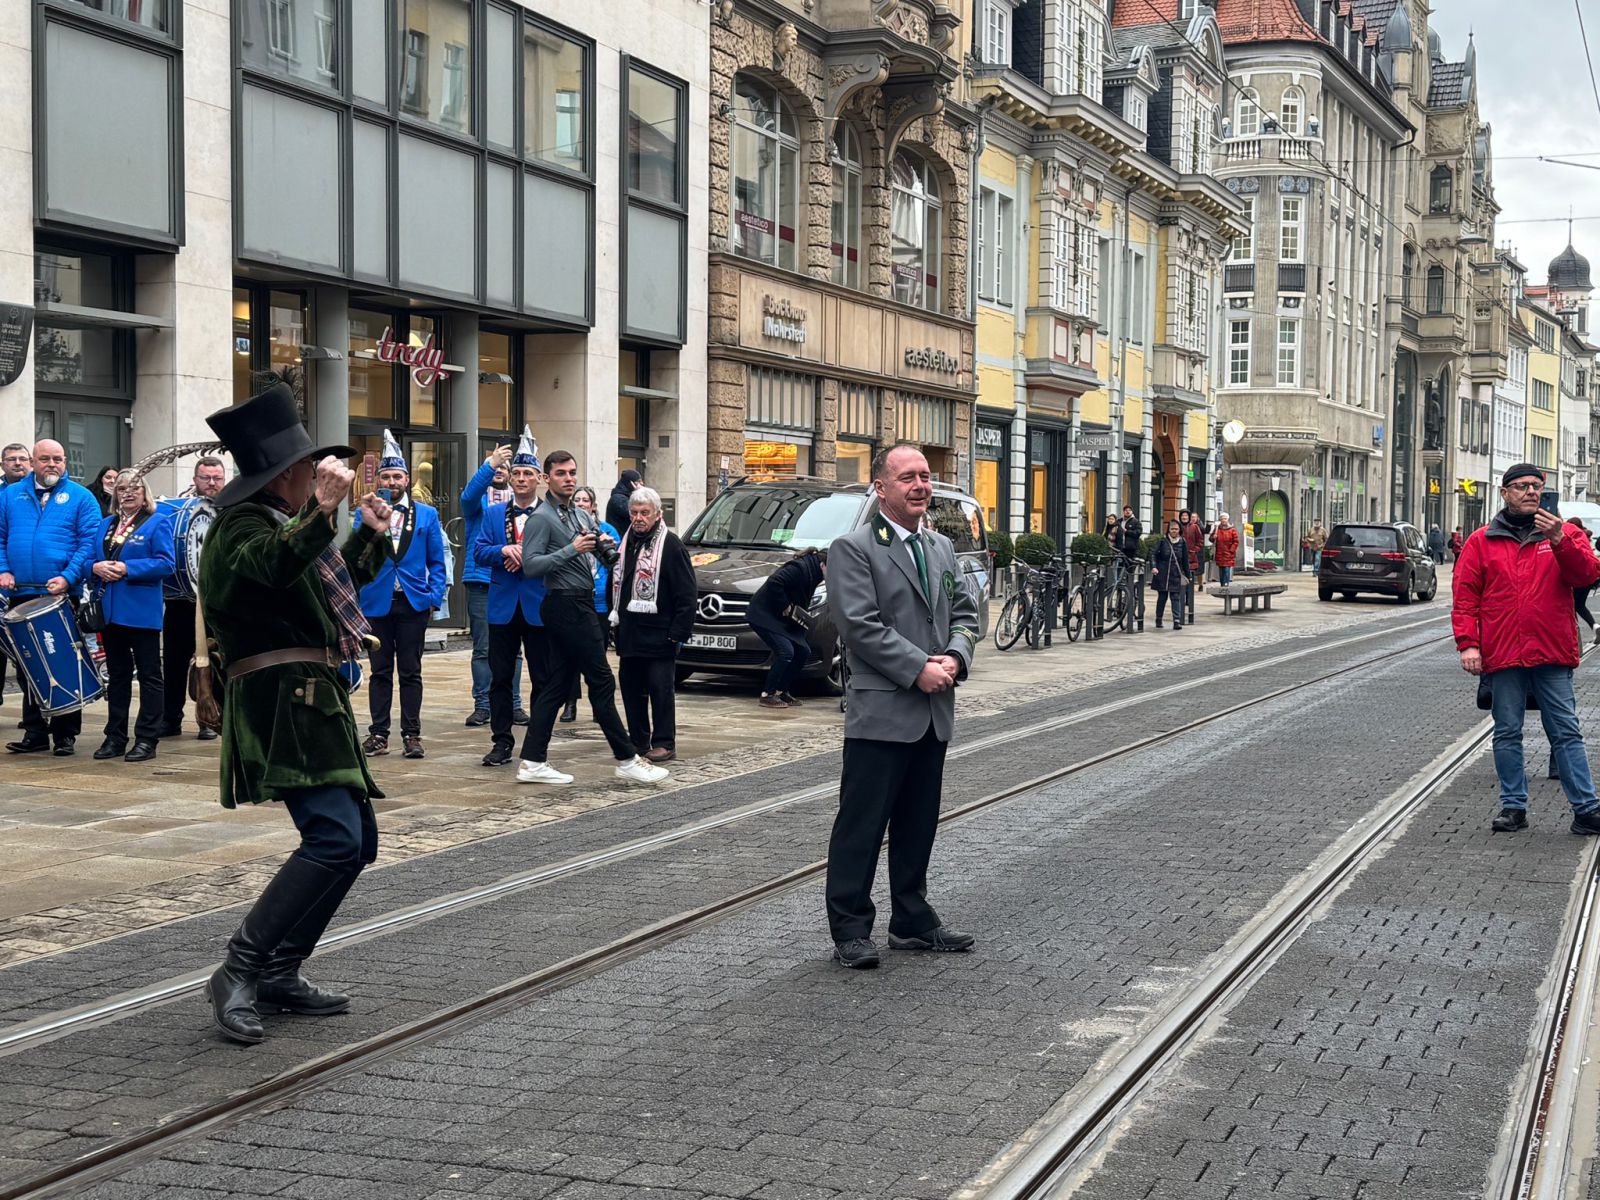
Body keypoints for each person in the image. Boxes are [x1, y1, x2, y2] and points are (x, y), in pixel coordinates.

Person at [199, 381, 394, 1044]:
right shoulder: (240, 526)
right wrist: (322, 511)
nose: (319, 473)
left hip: (311, 699)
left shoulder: (281, 521)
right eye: (310, 466)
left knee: (356, 842)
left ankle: (280, 970)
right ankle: (239, 969)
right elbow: (271, 568)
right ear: (287, 475)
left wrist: (367, 538)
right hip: (280, 702)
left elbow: (319, 588)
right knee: (334, 840)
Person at [824, 444, 979, 970]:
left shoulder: (940, 546)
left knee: (918, 823)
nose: (920, 486)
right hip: (883, 713)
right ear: (881, 487)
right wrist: (918, 668)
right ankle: (850, 928)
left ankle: (911, 920)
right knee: (862, 826)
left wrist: (956, 656)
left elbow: (966, 613)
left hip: (933, 711)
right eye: (907, 477)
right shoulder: (854, 548)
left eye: (925, 476)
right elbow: (859, 626)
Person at [1454, 463, 1600, 836]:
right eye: (1521, 486)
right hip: (1503, 652)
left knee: (1565, 731)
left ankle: (1586, 809)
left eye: (1536, 485)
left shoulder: (1566, 533)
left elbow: (1587, 575)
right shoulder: (1481, 541)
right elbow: (1466, 597)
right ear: (1504, 493)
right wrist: (1468, 644)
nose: (1531, 491)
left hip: (1551, 650)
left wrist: (1559, 540)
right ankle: (1513, 807)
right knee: (1507, 731)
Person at [515, 450, 667, 785]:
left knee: (557, 685)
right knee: (601, 680)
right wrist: (572, 549)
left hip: (582, 602)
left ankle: (532, 761)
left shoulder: (579, 515)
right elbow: (531, 565)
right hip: (565, 604)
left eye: (572, 473)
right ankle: (626, 757)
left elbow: (605, 555)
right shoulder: (542, 518)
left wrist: (605, 546)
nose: (568, 479)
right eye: (561, 474)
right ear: (546, 478)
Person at [0, 439, 104, 756]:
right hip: (20, 593)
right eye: (45, 459)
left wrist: (69, 577)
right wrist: (3, 570)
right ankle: (34, 732)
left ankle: (65, 735)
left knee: (64, 662)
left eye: (58, 459)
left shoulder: (81, 497)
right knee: (27, 665)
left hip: (60, 595)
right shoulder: (10, 496)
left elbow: (89, 543)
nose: (52, 464)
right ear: (32, 462)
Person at [358, 431, 447, 760]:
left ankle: (412, 734)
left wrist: (433, 597)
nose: (392, 482)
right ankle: (378, 734)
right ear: (379, 480)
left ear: (407, 479)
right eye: (386, 477)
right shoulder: (364, 513)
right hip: (377, 603)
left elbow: (437, 561)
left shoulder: (427, 514)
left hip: (412, 602)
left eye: (397, 476)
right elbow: (359, 558)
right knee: (379, 672)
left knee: (411, 671)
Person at [472, 429, 550, 767]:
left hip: (538, 605)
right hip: (502, 606)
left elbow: (560, 556)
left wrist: (528, 558)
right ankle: (501, 741)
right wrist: (504, 550)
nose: (520, 479)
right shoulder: (493, 513)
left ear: (539, 479)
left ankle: (537, 745)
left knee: (543, 678)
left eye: (527, 473)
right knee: (500, 676)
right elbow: (478, 552)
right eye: (516, 472)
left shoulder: (551, 514)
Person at [92, 470, 175, 763]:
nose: (128, 493)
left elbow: (166, 564)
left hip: (141, 612)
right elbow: (90, 557)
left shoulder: (157, 521)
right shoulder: (106, 524)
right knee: (117, 677)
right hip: (111, 612)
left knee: (150, 676)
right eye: (122, 488)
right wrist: (94, 567)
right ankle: (115, 737)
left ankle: (147, 739)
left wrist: (129, 568)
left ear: (144, 492)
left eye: (135, 488)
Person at [611, 486, 694, 762]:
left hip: (660, 634)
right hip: (630, 632)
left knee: (661, 691)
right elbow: (617, 583)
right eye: (634, 512)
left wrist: (678, 633)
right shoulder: (626, 542)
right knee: (631, 690)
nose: (638, 518)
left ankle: (664, 743)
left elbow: (686, 594)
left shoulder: (670, 545)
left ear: (658, 515)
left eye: (644, 513)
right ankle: (638, 741)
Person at [157, 457, 227, 741]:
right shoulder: (182, 508)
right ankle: (170, 718)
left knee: (213, 661)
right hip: (181, 602)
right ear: (195, 479)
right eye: (206, 477)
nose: (211, 483)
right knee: (174, 662)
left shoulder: (232, 509)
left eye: (217, 478)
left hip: (217, 602)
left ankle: (209, 718)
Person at [461, 441, 529, 729]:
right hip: (481, 580)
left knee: (515, 649)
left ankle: (513, 703)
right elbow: (467, 496)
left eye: (505, 467)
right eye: (496, 467)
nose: (500, 470)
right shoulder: (479, 505)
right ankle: (482, 704)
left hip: (513, 581)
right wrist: (490, 463)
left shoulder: (519, 504)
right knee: (483, 647)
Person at [560, 484, 620, 724]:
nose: (581, 503)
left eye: (586, 500)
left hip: (599, 602)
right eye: (577, 500)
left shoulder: (606, 530)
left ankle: (600, 705)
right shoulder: (566, 529)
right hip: (574, 599)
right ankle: (570, 703)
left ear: (593, 506)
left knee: (597, 656)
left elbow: (615, 562)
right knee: (570, 654)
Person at [748, 547, 826, 708]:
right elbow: (774, 582)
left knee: (803, 652)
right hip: (764, 614)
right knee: (786, 652)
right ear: (823, 565)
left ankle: (781, 691)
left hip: (782, 619)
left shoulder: (814, 570)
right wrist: (785, 605)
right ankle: (767, 694)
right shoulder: (800, 568)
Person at [0, 444, 29, 707]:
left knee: (26, 654)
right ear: (2, 464)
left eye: (22, 459)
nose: (17, 463)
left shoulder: (37, 494)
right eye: (12, 459)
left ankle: (34, 712)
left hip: (26, 586)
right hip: (2, 583)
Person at [1150, 519, 1189, 630]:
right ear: (1169, 530)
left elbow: (1185, 560)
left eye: (1176, 529)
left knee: (1175, 597)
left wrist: (1188, 575)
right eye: (1172, 529)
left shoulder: (1182, 542)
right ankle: (1158, 618)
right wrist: (1154, 566)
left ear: (1179, 530)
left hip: (1175, 573)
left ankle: (1176, 621)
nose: (1174, 531)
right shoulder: (1162, 541)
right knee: (1162, 598)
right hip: (1162, 573)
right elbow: (1153, 554)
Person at [1179, 510, 1204, 623]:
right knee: (1180, 579)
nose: (1184, 517)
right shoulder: (1177, 526)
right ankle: (1181, 598)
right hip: (1179, 557)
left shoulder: (1194, 527)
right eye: (1182, 515)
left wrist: (1195, 550)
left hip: (1190, 557)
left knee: (1189, 579)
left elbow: (1200, 540)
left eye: (1186, 515)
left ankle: (1189, 599)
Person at [605, 468, 643, 534]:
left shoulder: (627, 497)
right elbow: (634, 512)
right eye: (638, 481)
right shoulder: (618, 499)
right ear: (630, 483)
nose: (641, 483)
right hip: (619, 538)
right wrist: (639, 492)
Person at [1211, 513, 1239, 588]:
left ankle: (1226, 584)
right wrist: (1213, 537)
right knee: (1221, 570)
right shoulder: (1217, 529)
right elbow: (1211, 539)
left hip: (1228, 554)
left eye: (1225, 519)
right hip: (1219, 553)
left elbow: (1236, 541)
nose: (1224, 520)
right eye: (1222, 519)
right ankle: (1222, 584)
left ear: (1228, 519)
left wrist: (1231, 550)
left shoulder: (1232, 530)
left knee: (1226, 569)